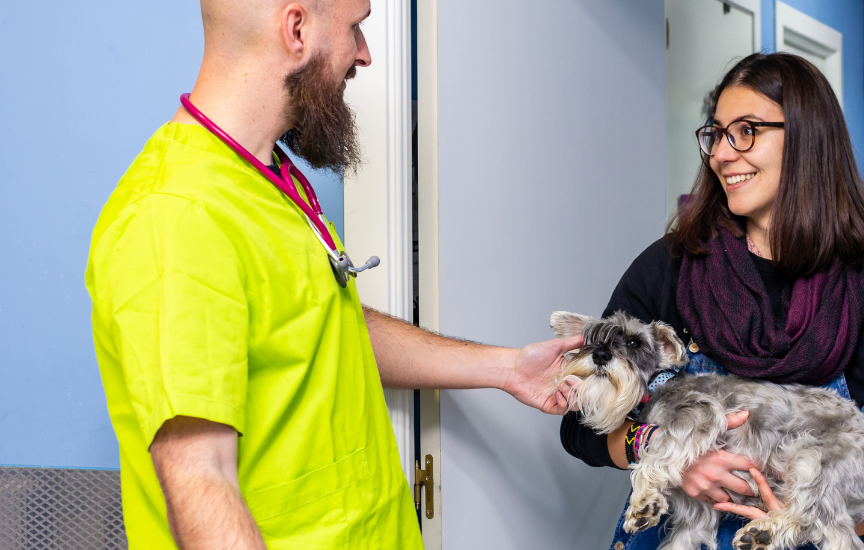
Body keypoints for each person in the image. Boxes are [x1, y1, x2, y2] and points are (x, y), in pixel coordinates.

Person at [85, 1, 580, 548]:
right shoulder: (177, 215)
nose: (364, 54)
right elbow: (201, 476)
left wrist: (507, 368)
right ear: (296, 29)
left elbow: (325, 328)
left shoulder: (266, 177)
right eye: (356, 28)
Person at [559, 52, 864, 550]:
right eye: (716, 133)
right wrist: (664, 450)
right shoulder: (670, 268)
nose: (722, 154)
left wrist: (833, 515)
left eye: (746, 131)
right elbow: (581, 425)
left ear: (809, 140)